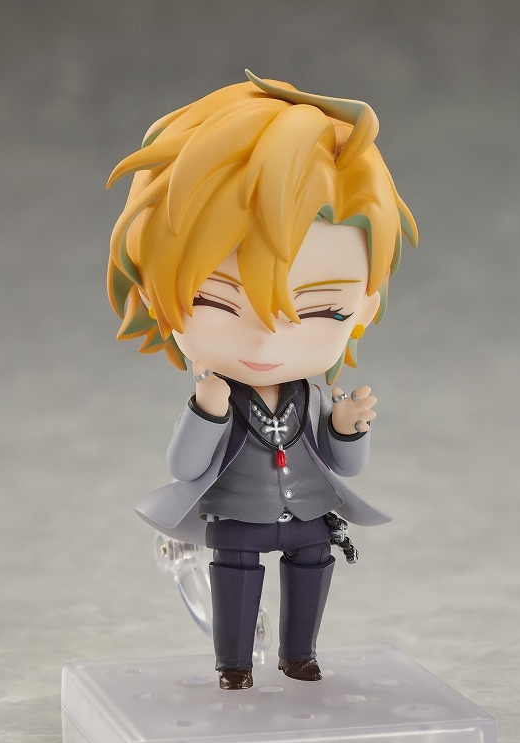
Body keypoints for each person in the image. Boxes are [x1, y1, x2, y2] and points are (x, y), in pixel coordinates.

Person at [107, 70, 418, 690]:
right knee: (236, 580)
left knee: (312, 570)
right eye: (217, 303)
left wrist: (347, 428)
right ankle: (234, 665)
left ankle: (299, 655)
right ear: (156, 297)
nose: (267, 340)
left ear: (364, 305)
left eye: (322, 310)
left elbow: (346, 468)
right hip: (238, 517)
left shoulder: (315, 394)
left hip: (308, 513)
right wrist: (206, 409)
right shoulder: (220, 393)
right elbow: (185, 467)